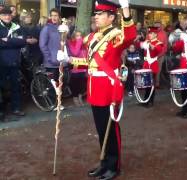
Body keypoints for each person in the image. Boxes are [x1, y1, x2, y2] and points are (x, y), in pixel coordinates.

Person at [58, 0, 136, 179]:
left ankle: (113, 165)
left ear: (111, 17)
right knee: (101, 129)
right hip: (94, 87)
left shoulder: (116, 35)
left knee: (111, 128)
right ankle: (104, 162)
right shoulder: (93, 37)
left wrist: (125, 8)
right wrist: (68, 60)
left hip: (108, 87)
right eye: (96, 14)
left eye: (101, 14)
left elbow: (130, 36)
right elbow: (90, 62)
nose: (96, 17)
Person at [0, 7, 34, 119]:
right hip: (2, 62)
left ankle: (16, 108)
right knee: (1, 87)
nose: (7, 17)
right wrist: (14, 42)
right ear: (0, 16)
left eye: (8, 15)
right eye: (4, 15)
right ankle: (1, 111)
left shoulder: (17, 27)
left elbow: (22, 41)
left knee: (16, 86)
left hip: (15, 61)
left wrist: (7, 41)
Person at [139, 26, 163, 107]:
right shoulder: (147, 41)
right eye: (149, 33)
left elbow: (157, 50)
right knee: (146, 84)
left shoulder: (158, 43)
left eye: (152, 33)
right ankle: (146, 100)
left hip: (153, 65)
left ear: (155, 35)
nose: (150, 35)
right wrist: (141, 43)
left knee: (151, 85)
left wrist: (150, 46)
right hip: (146, 64)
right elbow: (140, 46)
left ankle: (150, 101)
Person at [67, 30, 87, 106]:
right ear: (74, 37)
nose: (79, 38)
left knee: (82, 83)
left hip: (83, 66)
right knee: (75, 82)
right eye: (77, 36)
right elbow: (75, 53)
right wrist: (79, 42)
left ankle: (80, 96)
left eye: (80, 36)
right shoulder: (71, 43)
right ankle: (75, 97)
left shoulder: (83, 44)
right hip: (75, 67)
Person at [154, 22, 168, 88]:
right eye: (156, 26)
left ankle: (157, 84)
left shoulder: (164, 34)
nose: (157, 27)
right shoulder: (151, 32)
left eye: (158, 26)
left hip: (160, 55)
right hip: (152, 54)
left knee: (158, 70)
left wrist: (161, 54)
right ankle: (153, 83)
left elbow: (165, 46)